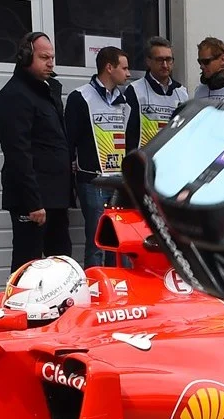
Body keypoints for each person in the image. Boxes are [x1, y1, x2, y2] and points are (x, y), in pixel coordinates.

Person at [0, 32, 74, 272]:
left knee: (60, 263)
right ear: (26, 57)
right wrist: (33, 203)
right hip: (34, 202)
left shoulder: (46, 92)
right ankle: (18, 307)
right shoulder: (14, 95)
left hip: (55, 198)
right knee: (27, 264)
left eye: (52, 57)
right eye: (44, 57)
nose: (50, 62)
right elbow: (17, 152)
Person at [64, 45, 140, 267]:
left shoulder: (125, 100)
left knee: (122, 241)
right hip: (93, 180)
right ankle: (94, 292)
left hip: (118, 182)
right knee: (97, 242)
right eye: (124, 68)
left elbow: (130, 139)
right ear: (109, 67)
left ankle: (122, 292)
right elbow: (70, 141)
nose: (128, 74)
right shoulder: (81, 97)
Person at [134, 36, 189, 145]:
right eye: (159, 60)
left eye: (168, 59)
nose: (165, 65)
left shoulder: (182, 92)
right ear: (148, 61)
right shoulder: (135, 90)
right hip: (145, 158)